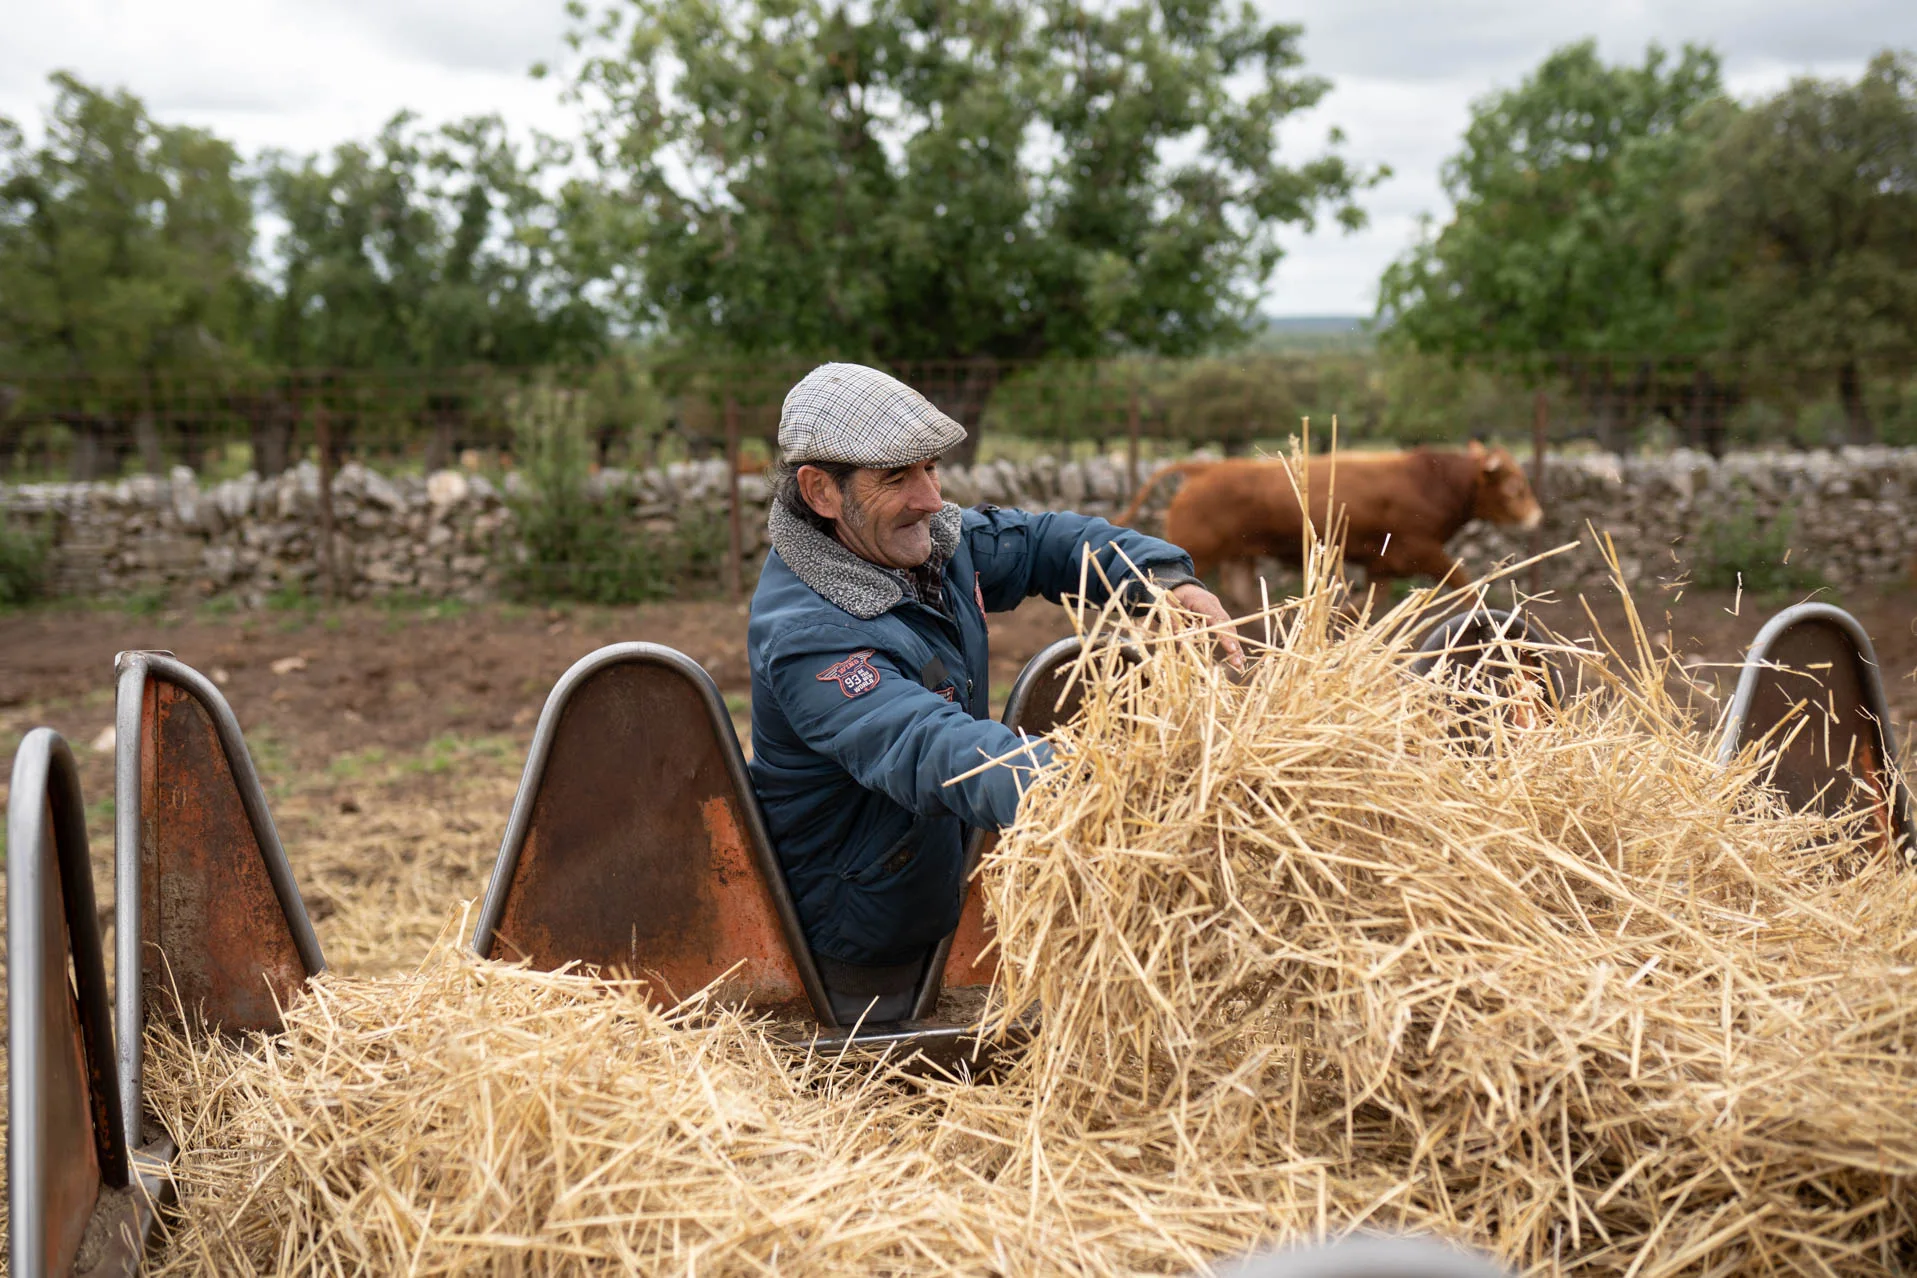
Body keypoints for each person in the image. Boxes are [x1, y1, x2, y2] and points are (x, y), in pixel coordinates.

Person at [747, 363, 1240, 1023]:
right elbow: (929, 747)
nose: (928, 498)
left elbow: (1046, 544)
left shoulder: (929, 549)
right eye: (896, 477)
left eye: (930, 468)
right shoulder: (811, 636)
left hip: (933, 891)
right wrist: (1097, 787)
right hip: (860, 943)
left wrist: (1160, 578)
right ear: (821, 493)